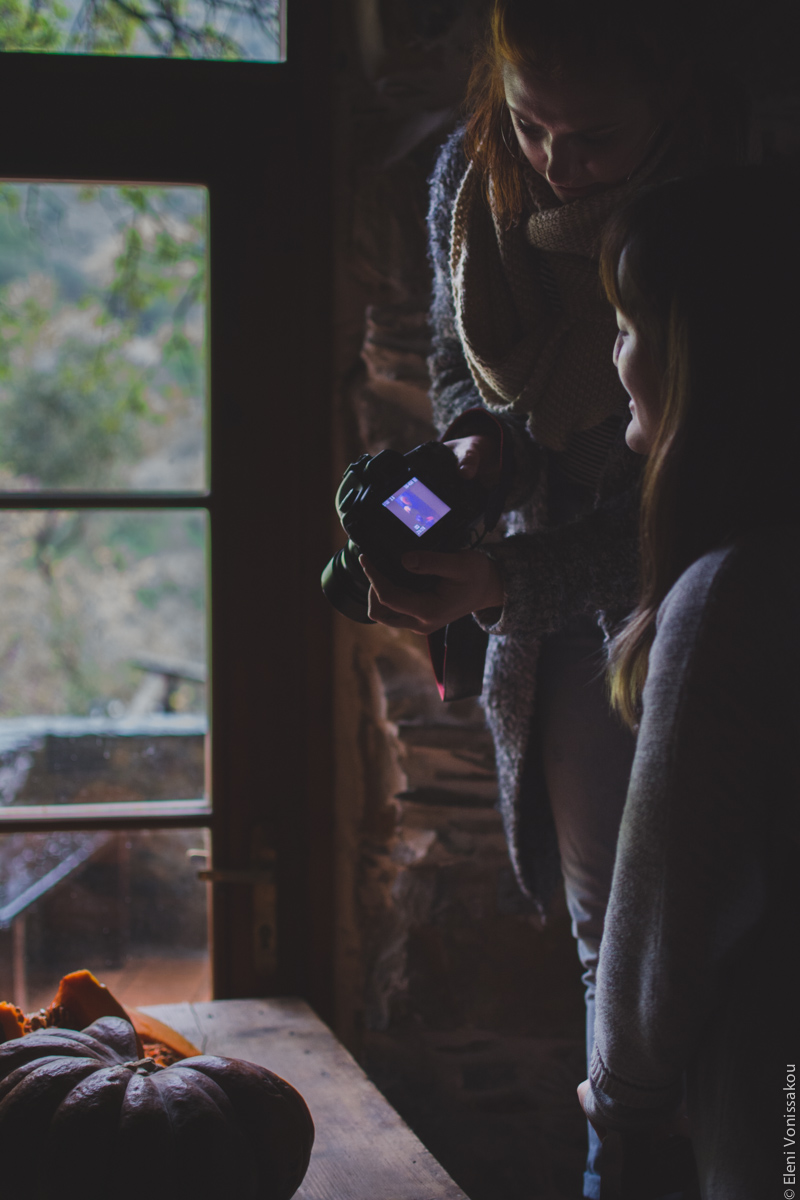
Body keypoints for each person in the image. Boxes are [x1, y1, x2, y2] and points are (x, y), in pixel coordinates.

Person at [360, 2, 747, 1195]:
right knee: (602, 927)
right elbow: (449, 358)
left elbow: (686, 496)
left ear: (671, 103)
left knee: (708, 931)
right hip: (548, 604)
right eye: (530, 124)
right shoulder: (471, 179)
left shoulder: (723, 218)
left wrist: (508, 579)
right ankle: (621, 1164)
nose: (552, 162)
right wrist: (475, 454)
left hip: (679, 589)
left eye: (589, 139)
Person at [575, 164, 800, 1198]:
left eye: (626, 326)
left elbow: (664, 904)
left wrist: (615, 1093)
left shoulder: (734, 596)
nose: (613, 356)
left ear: (696, 352)